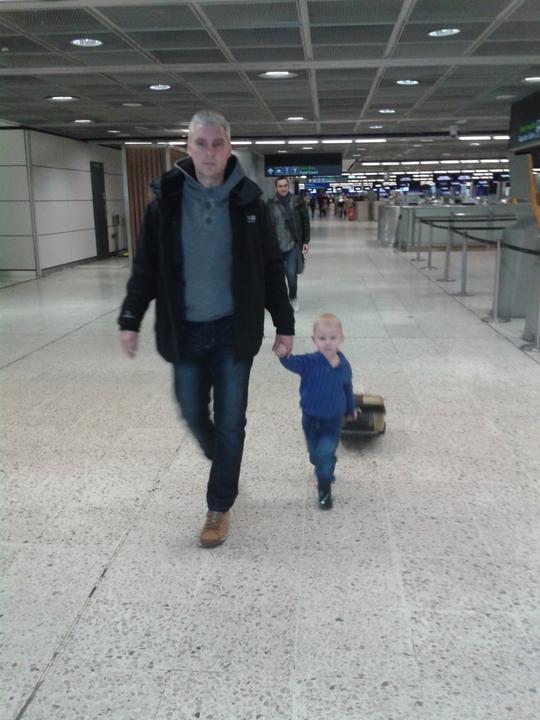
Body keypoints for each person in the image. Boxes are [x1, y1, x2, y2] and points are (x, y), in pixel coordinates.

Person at [118, 110, 294, 548]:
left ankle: (219, 505)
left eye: (218, 144)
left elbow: (271, 267)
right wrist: (130, 318)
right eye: (201, 143)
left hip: (234, 331)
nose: (210, 152)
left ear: (230, 148)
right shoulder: (166, 201)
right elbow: (146, 267)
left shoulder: (249, 202)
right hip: (186, 332)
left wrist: (284, 324)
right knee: (193, 412)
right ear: (188, 147)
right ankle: (223, 460)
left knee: (231, 422)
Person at [278, 313, 356, 510]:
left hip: (333, 419)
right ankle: (324, 464)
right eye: (322, 338)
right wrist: (283, 354)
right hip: (310, 418)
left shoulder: (344, 365)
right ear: (314, 340)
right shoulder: (309, 362)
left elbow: (347, 387)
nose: (327, 342)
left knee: (324, 453)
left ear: (341, 338)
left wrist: (350, 408)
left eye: (332, 337)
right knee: (314, 454)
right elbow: (290, 362)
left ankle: (324, 486)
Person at [267, 176, 310, 312]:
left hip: (292, 246)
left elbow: (305, 221)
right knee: (278, 278)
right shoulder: (270, 204)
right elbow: (266, 226)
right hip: (276, 248)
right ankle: (282, 300)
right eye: (280, 186)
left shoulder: (297, 202)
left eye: (285, 185)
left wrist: (306, 241)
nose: (283, 188)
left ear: (288, 186)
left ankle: (293, 297)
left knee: (291, 276)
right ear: (276, 188)